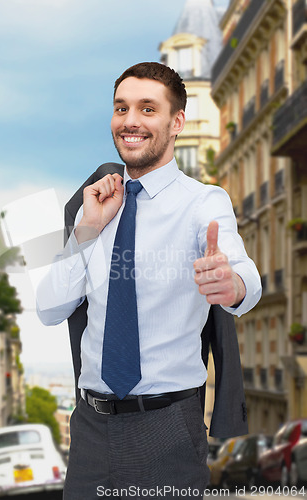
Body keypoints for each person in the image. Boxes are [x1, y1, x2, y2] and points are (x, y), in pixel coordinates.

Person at [36, 62, 261, 499]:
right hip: (90, 428)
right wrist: (88, 231)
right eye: (121, 108)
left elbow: (245, 275)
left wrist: (230, 282)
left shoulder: (203, 203)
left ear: (176, 122)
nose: (130, 121)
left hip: (166, 430)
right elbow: (48, 308)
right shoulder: (95, 204)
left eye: (147, 109)